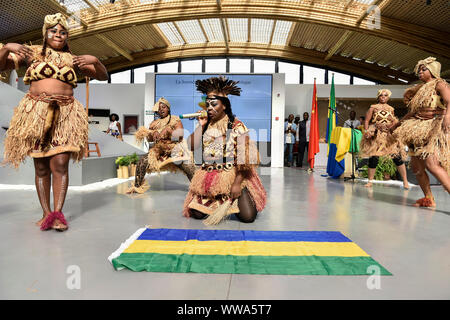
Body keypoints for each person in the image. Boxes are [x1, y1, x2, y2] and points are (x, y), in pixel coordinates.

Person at [1, 13, 108, 231]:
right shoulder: (31, 54)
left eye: (62, 32)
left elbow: (103, 76)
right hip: (36, 113)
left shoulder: (74, 60)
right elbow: (1, 66)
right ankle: (46, 213)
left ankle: (58, 214)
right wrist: (6, 48)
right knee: (41, 167)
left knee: (60, 163)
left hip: (65, 114)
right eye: (53, 31)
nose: (58, 35)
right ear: (45, 34)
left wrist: (95, 61)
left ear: (67, 36)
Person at [183, 76, 267, 224]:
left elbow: (245, 160)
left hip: (232, 175)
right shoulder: (206, 125)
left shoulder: (237, 126)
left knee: (248, 217)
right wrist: (201, 125)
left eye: (214, 104)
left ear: (224, 106)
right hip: (208, 174)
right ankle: (217, 203)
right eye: (207, 104)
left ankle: (226, 202)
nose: (209, 108)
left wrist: (236, 184)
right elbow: (190, 145)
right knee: (196, 214)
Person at [391, 57, 450, 207]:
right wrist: (397, 124)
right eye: (419, 70)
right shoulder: (419, 89)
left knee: (432, 165)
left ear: (433, 71)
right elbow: (413, 112)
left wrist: (446, 116)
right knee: (417, 169)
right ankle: (428, 199)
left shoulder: (440, 84)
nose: (420, 72)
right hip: (416, 131)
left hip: (432, 129)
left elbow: (449, 101)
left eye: (424, 69)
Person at [126, 97, 196, 194]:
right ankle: (137, 187)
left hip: (174, 148)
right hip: (158, 150)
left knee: (188, 166)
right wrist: (152, 133)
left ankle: (197, 187)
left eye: (164, 107)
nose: (161, 110)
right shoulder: (154, 123)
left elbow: (180, 136)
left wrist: (168, 130)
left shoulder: (175, 119)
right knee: (142, 162)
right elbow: (149, 139)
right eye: (159, 108)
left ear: (168, 108)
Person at [360, 89, 409, 189]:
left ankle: (405, 181)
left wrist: (392, 124)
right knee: (374, 157)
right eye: (381, 95)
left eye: (385, 95)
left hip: (388, 135)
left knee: (397, 157)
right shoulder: (373, 107)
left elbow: (394, 122)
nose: (383, 97)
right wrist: (367, 131)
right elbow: (367, 120)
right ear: (378, 97)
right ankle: (370, 181)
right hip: (377, 134)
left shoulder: (391, 109)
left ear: (388, 97)